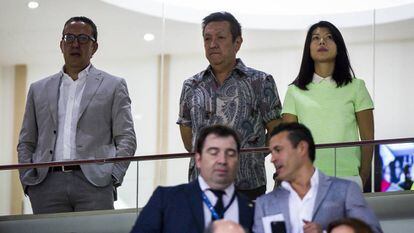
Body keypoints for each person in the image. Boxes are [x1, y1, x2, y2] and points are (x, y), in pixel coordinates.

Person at [17, 16, 136, 214]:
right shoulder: (38, 89)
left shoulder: (113, 85)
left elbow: (126, 138)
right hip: (46, 186)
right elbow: (26, 141)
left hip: (95, 184)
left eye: (83, 39)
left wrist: (113, 177)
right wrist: (29, 181)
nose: (75, 44)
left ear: (94, 47)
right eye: (69, 38)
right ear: (61, 44)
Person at [177, 11, 282, 200]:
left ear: (237, 43)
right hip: (201, 185)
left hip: (248, 184)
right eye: (207, 38)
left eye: (220, 37)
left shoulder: (260, 81)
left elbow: (276, 131)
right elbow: (188, 138)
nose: (212, 44)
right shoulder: (191, 85)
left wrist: (251, 156)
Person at [282, 21, 374, 188]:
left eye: (329, 37)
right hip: (306, 179)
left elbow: (368, 139)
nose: (322, 41)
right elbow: (289, 143)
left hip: (348, 178)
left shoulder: (357, 87)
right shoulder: (294, 91)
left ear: (338, 46)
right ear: (308, 49)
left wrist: (363, 175)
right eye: (315, 38)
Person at [253, 123, 382, 233]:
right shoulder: (264, 204)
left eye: (278, 150)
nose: (272, 158)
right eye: (272, 152)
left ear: (301, 148)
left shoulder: (346, 191)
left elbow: (372, 231)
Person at [130, 125, 254, 233]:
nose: (222, 160)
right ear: (198, 159)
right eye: (213, 152)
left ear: (238, 161)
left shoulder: (251, 210)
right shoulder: (166, 200)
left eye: (230, 154)